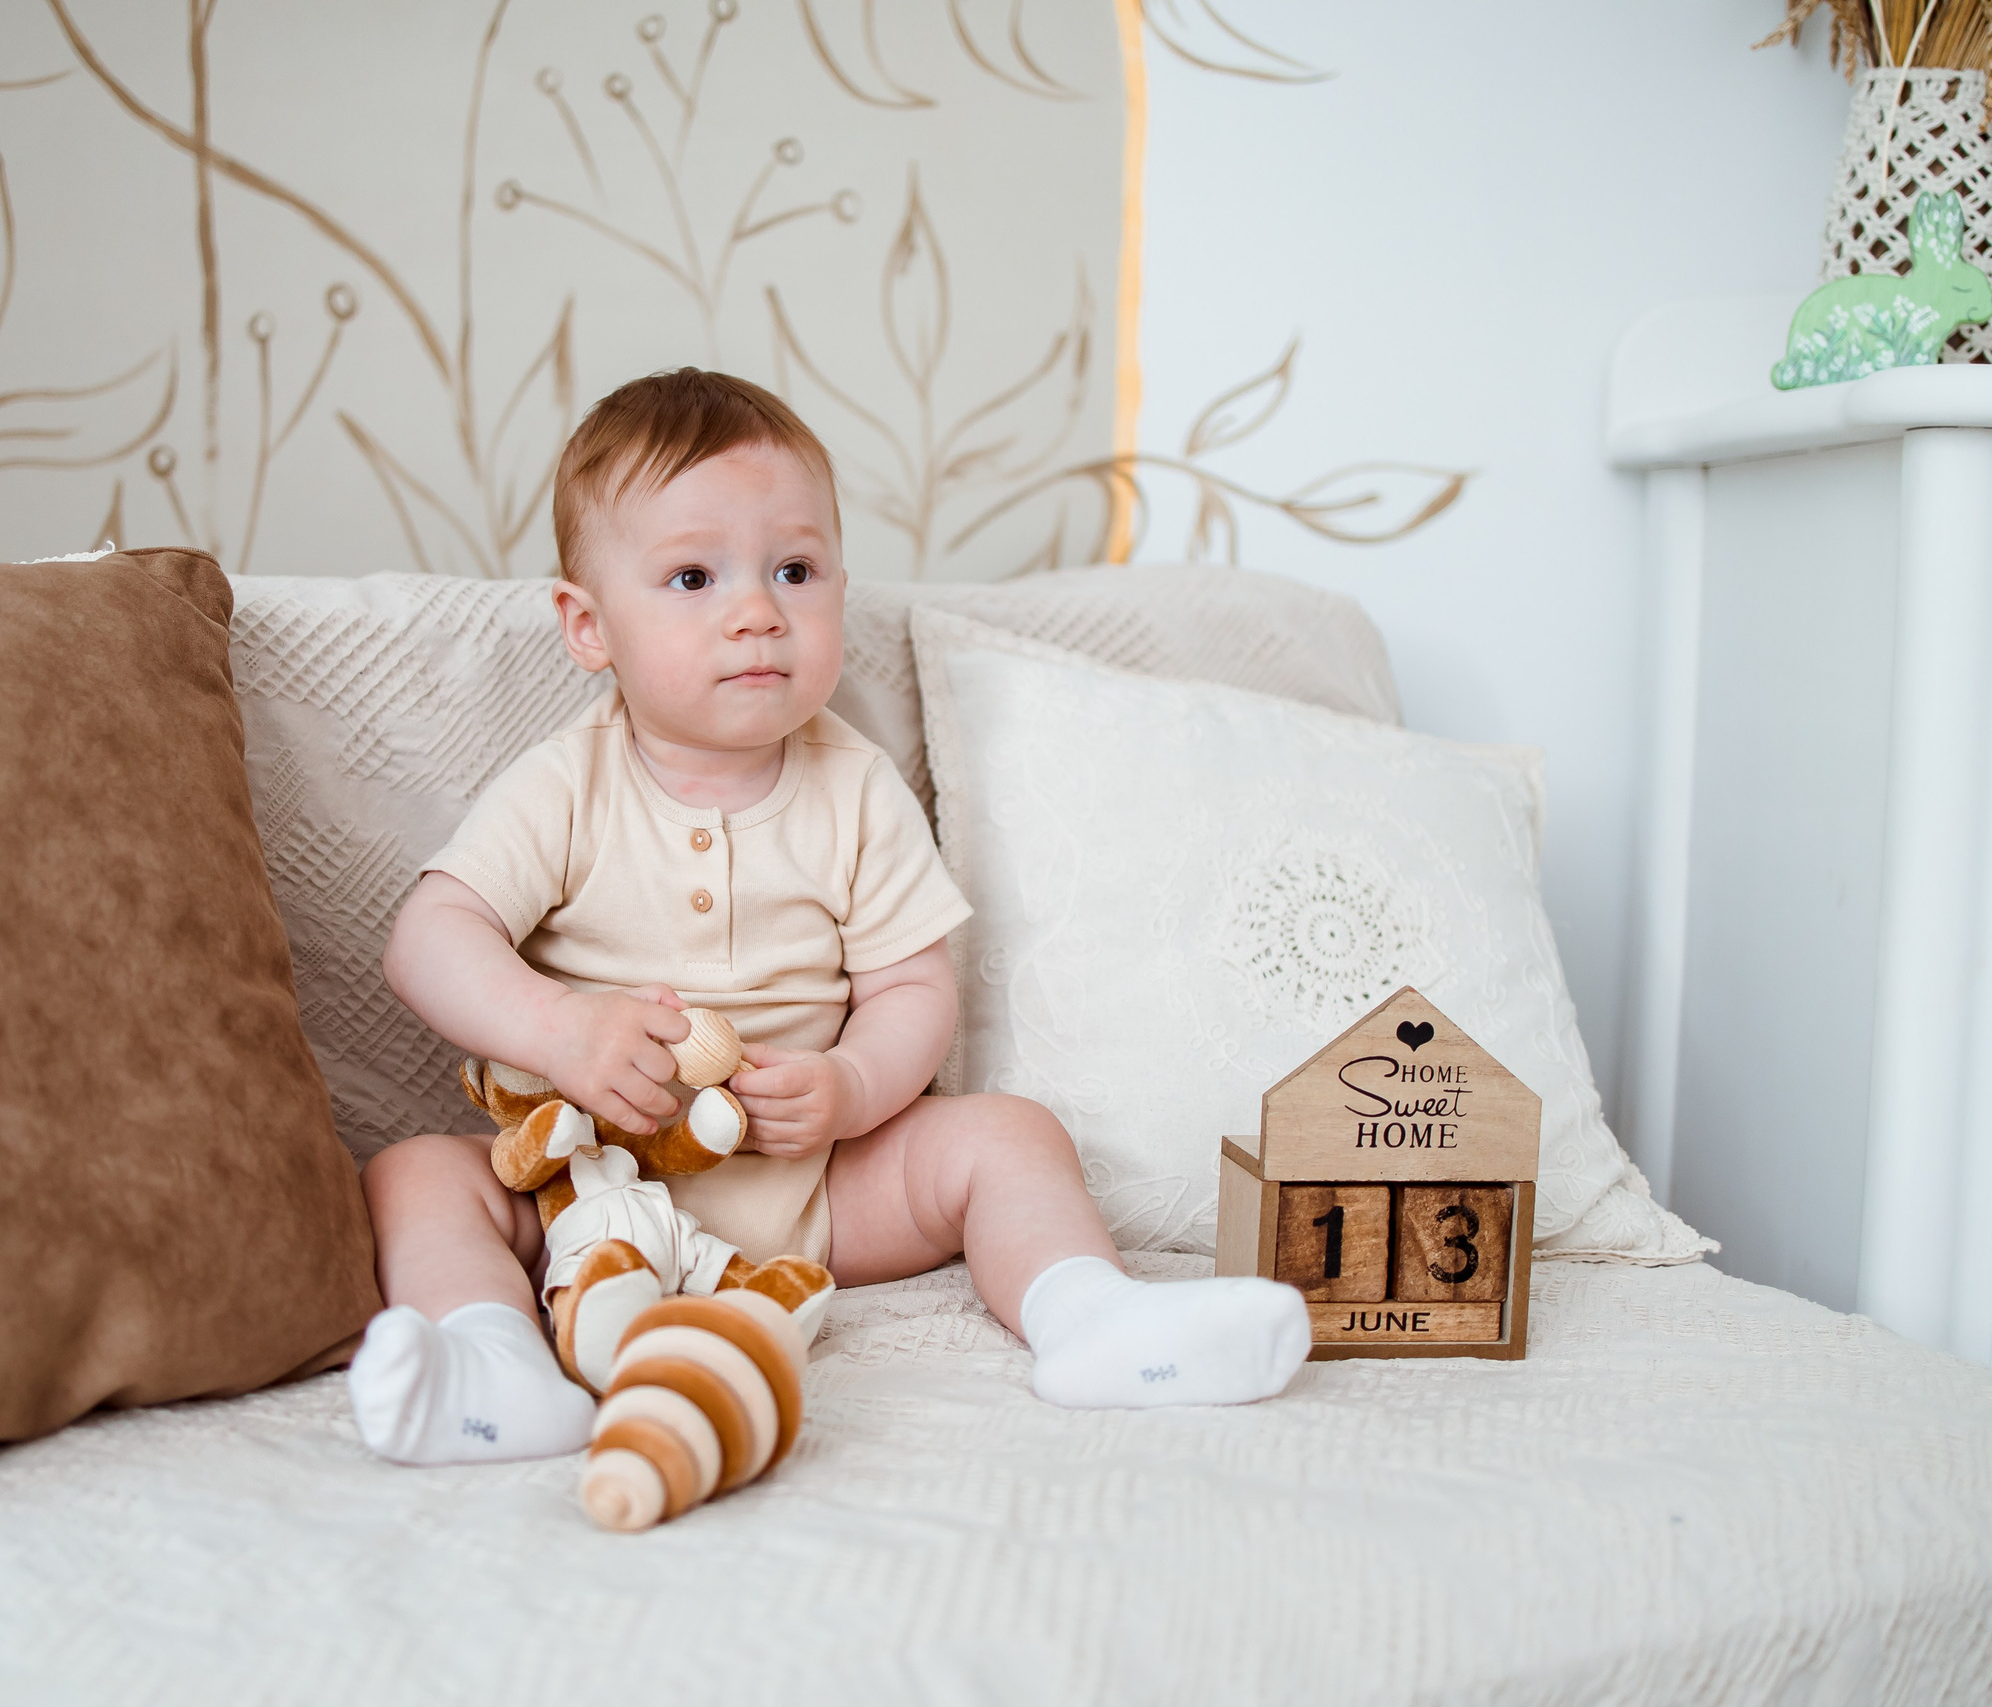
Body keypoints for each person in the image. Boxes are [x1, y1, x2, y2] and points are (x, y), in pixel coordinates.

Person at [350, 369, 1309, 1464]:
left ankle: (1092, 1319)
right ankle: (492, 1365)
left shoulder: (853, 790)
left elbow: (911, 989)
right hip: (584, 1196)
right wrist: (561, 1033)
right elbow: (429, 937)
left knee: (1009, 1136)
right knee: (415, 1174)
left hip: (814, 1192)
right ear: (588, 625)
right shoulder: (565, 787)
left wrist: (851, 1087)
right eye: (692, 576)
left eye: (793, 570)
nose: (756, 611)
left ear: (839, 592)